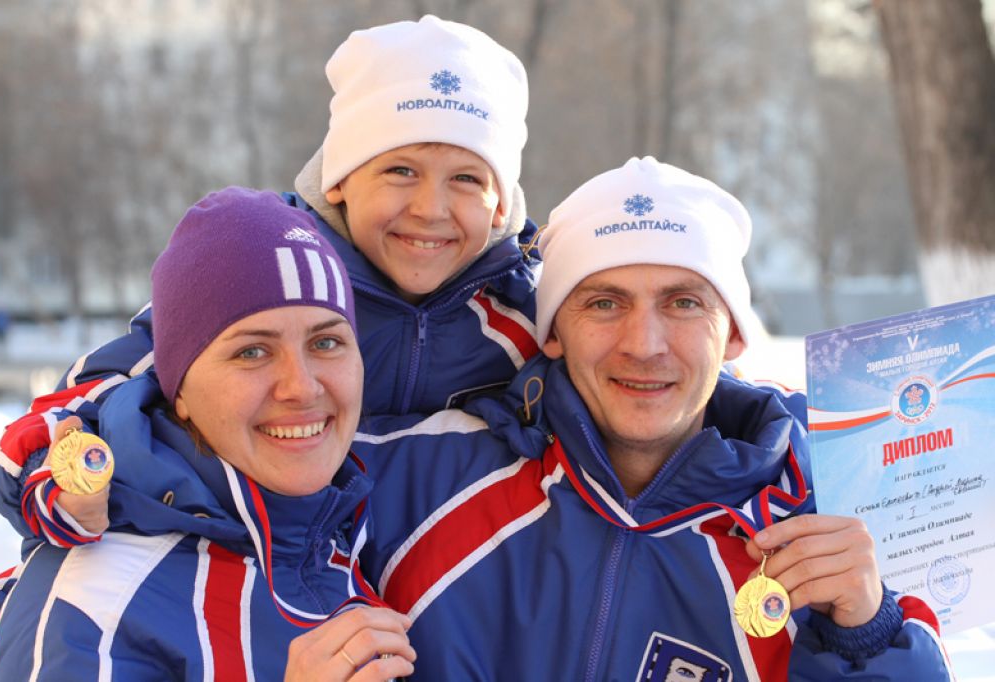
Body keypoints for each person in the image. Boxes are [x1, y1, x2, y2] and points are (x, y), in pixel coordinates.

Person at [346, 158, 952, 679]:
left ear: (735, 333)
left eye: (683, 303)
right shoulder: (409, 480)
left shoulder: (835, 511)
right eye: (605, 303)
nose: (644, 344)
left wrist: (867, 634)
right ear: (553, 330)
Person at [0, 188, 415, 681]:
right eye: (252, 352)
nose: (301, 386)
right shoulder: (96, 598)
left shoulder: (336, 551)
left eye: (326, 342)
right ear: (179, 390)